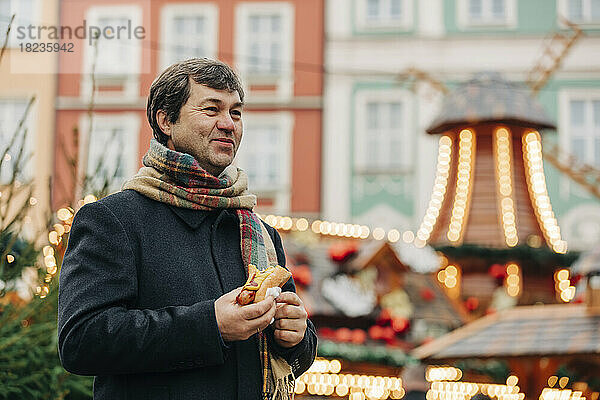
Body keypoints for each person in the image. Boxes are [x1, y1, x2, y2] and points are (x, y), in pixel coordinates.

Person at [57, 58, 317, 400]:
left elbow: (291, 355)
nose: (228, 124)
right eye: (211, 110)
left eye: (236, 113)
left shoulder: (259, 231)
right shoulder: (113, 220)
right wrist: (211, 325)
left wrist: (298, 337)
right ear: (166, 120)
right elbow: (82, 340)